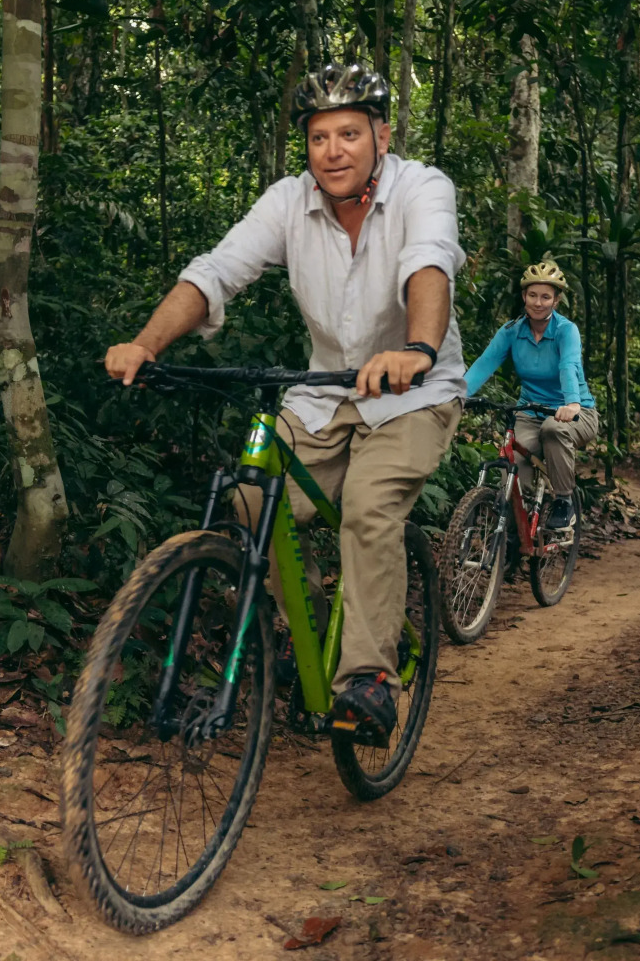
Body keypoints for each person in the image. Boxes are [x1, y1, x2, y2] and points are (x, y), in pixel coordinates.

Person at [104, 62, 465, 742]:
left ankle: (368, 677)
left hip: (414, 393)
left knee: (368, 503)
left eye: (349, 134)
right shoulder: (288, 202)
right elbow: (216, 271)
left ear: (381, 137)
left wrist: (416, 349)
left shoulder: (424, 188)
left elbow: (430, 262)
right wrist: (146, 343)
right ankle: (318, 626)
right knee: (248, 498)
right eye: (319, 136)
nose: (333, 150)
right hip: (326, 394)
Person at [464, 259, 598, 530]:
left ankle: (563, 500)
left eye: (546, 296)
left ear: (556, 300)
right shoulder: (512, 331)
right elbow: (483, 364)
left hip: (575, 412)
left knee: (553, 430)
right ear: (524, 296)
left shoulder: (565, 331)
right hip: (530, 411)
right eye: (533, 295)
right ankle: (514, 530)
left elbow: (569, 366)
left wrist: (572, 402)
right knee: (511, 458)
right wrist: (455, 396)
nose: (538, 302)